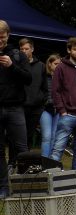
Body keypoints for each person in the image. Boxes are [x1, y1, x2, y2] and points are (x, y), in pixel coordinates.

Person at [0, 20, 32, 198]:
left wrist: (12, 66)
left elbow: (28, 79)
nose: (0, 41)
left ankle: (26, 186)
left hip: (15, 107)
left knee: (22, 148)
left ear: (8, 36)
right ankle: (4, 188)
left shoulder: (18, 55)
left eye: (2, 38)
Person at [50, 37, 76, 170]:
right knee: (58, 149)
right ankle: (52, 178)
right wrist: (62, 111)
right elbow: (55, 91)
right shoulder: (61, 67)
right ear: (68, 50)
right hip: (68, 115)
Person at [19, 38, 47, 149]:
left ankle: (26, 162)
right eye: (21, 49)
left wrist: (41, 101)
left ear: (32, 49)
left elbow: (45, 87)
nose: (24, 51)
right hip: (20, 106)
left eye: (26, 48)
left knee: (30, 136)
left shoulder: (41, 66)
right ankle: (14, 161)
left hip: (35, 107)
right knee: (18, 136)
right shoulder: (16, 65)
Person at [40, 54, 60, 158]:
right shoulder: (44, 76)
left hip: (58, 110)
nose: (58, 66)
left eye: (59, 64)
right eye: (56, 64)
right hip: (46, 109)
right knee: (47, 136)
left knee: (54, 137)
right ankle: (44, 161)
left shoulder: (61, 78)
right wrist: (45, 102)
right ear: (49, 64)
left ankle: (51, 162)